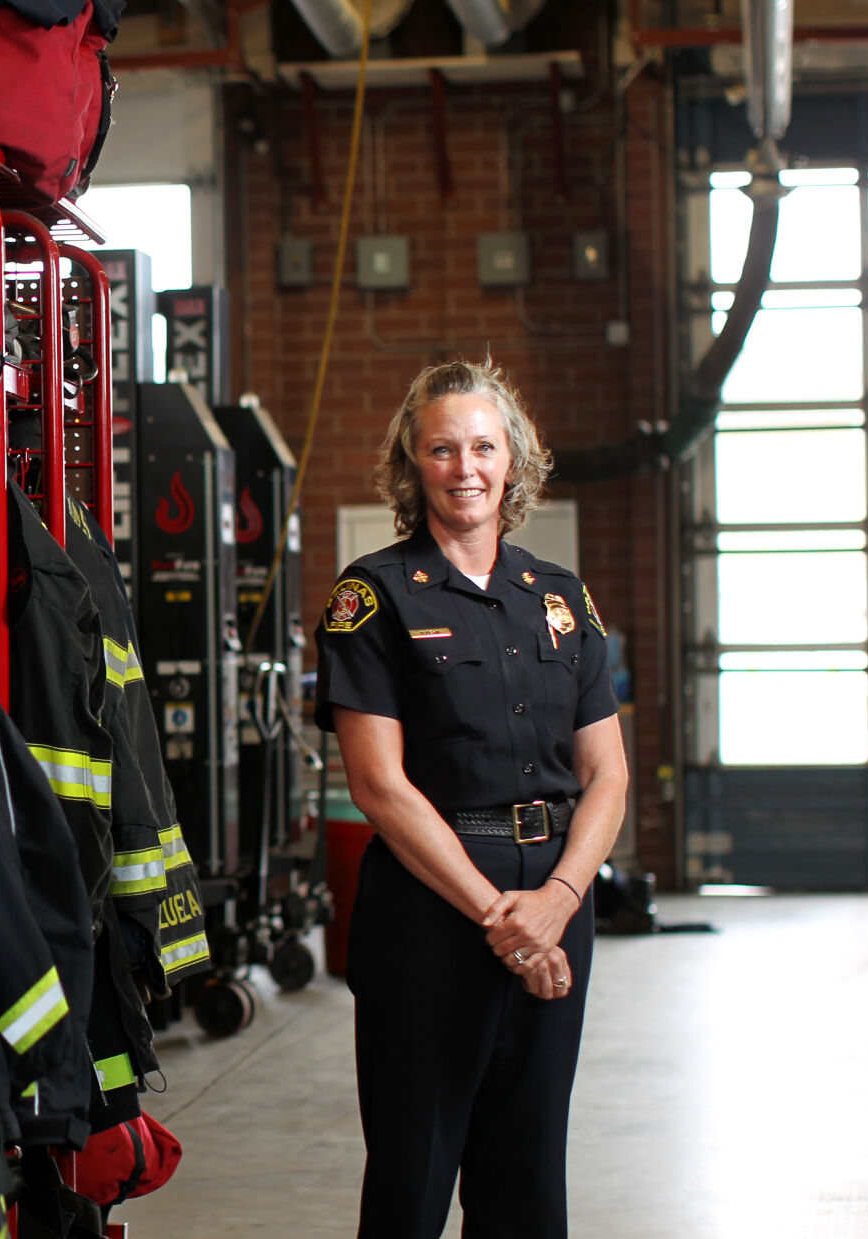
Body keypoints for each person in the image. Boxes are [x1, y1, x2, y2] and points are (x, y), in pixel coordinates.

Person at [313, 358, 628, 1239]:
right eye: (442, 448)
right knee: (414, 1178)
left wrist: (558, 902)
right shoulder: (370, 596)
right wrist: (503, 919)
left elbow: (608, 776)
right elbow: (378, 784)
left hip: (558, 899)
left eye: (483, 446)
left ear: (514, 459)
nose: (466, 467)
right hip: (433, 908)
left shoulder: (561, 599)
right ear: (411, 464)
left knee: (528, 1178)